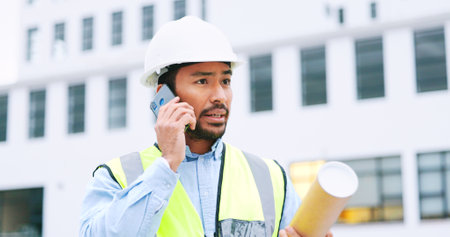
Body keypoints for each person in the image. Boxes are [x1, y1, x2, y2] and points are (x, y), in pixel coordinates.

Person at [80, 16, 332, 237]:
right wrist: (167, 165)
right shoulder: (117, 177)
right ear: (164, 96)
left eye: (225, 80)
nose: (220, 96)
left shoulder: (272, 178)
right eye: (202, 81)